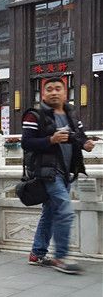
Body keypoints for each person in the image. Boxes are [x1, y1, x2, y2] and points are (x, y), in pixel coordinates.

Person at [22, 76, 95, 274]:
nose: (54, 92)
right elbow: (26, 142)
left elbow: (78, 137)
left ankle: (37, 253)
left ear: (65, 93)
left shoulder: (72, 115)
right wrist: (50, 140)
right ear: (43, 94)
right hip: (47, 172)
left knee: (50, 212)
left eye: (58, 88)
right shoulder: (34, 115)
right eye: (49, 89)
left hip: (66, 172)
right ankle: (61, 257)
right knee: (65, 211)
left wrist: (86, 144)